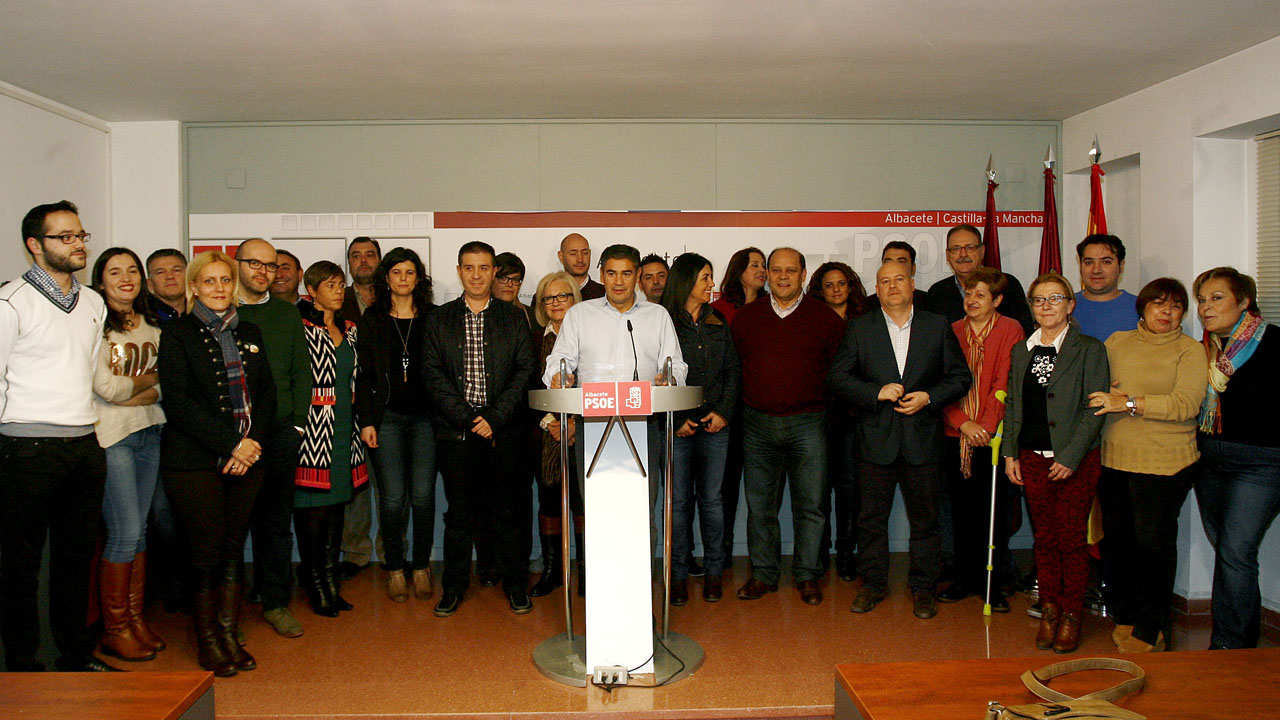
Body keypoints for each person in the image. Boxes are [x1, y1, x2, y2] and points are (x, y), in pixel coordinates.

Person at [0, 201, 117, 673]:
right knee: (20, 568)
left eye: (80, 235)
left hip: (84, 445)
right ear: (35, 245)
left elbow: (88, 370)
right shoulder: (11, 302)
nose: (78, 245)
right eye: (64, 237)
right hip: (25, 449)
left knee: (74, 562)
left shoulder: (93, 301)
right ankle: (22, 668)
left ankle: (74, 658)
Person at [828, 262, 970, 619]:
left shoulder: (936, 325)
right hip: (875, 439)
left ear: (912, 283)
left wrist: (929, 397)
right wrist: (876, 392)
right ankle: (873, 585)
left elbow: (959, 377)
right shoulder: (861, 328)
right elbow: (838, 378)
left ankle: (923, 588)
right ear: (877, 287)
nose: (892, 286)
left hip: (922, 439)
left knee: (926, 520)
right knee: (870, 519)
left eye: (899, 280)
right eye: (884, 281)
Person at [159, 250, 275, 677]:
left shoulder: (252, 330)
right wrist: (232, 446)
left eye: (225, 280)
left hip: (248, 459)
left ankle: (228, 634)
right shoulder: (178, 335)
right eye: (209, 282)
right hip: (195, 461)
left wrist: (252, 444)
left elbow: (266, 396)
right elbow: (180, 403)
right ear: (194, 287)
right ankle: (207, 640)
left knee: (231, 549)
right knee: (205, 552)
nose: (219, 288)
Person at [542, 244, 688, 554]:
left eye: (625, 273)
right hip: (592, 426)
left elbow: (676, 363)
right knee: (597, 510)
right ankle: (602, 591)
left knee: (641, 510)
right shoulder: (580, 315)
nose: (618, 281)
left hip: (643, 425)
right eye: (611, 273)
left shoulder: (657, 316)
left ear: (637, 276)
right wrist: (559, 376)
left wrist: (669, 378)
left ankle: (641, 591)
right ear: (601, 275)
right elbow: (559, 360)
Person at [1088, 278, 1205, 653]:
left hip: (1165, 463)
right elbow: (1099, 391)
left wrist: (1132, 403)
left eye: (1175, 306)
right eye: (1158, 304)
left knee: (1153, 547)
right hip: (1115, 458)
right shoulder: (1117, 342)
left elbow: (1185, 405)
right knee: (1118, 543)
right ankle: (1124, 614)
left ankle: (1152, 625)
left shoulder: (1190, 351)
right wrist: (1114, 398)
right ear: (1143, 308)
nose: (1166, 312)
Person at [424, 241, 536, 617]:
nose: (476, 275)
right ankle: (453, 587)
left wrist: (494, 417)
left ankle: (516, 585)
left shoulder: (513, 317)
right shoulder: (439, 319)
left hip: (503, 433)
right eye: (469, 268)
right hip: (457, 433)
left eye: (484, 268)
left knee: (508, 514)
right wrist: (470, 419)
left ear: (493, 273)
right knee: (459, 516)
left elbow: (524, 371)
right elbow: (433, 375)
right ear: (459, 271)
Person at [1001, 272, 1109, 654]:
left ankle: (1070, 616)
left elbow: (1095, 409)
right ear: (1031, 307)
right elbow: (1014, 403)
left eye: (1055, 299)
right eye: (1039, 300)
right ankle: (1048, 609)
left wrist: (1070, 456)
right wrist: (1010, 452)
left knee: (1070, 540)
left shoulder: (1089, 349)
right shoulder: (1022, 349)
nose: (1047, 306)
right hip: (1030, 458)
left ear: (1070, 304)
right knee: (1044, 540)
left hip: (1074, 461)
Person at [730, 247, 844, 605]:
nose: (782, 277)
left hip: (809, 424)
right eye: (775, 270)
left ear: (803, 273)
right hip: (757, 423)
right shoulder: (747, 318)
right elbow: (735, 371)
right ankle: (764, 575)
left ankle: (808, 576)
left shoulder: (826, 319)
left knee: (811, 505)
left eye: (790, 271)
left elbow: (839, 375)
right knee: (760, 506)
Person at [1192, 267, 1280, 649]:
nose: (1205, 307)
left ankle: (1232, 645)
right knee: (1228, 550)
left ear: (1244, 302)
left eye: (1216, 298)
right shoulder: (1205, 348)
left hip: (1260, 463)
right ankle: (1232, 637)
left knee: (1235, 550)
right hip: (1209, 459)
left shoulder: (1273, 342)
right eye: (1201, 299)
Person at [90, 247, 167, 662]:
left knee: (138, 532)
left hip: (150, 431)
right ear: (100, 281)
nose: (126, 278)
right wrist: (148, 384)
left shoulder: (152, 326)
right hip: (113, 437)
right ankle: (115, 628)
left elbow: (165, 387)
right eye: (114, 271)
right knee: (122, 532)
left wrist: (139, 388)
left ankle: (135, 620)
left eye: (132, 270)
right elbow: (108, 390)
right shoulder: (94, 327)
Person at [235, 238, 311, 639]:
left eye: (271, 266)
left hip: (280, 434)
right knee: (230, 527)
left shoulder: (286, 314)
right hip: (232, 440)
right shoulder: (220, 311)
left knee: (276, 524)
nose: (264, 272)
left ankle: (276, 603)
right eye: (255, 264)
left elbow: (302, 371)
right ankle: (227, 613)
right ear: (237, 265)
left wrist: (297, 424)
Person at [936, 268, 1024, 611]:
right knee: (959, 511)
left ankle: (992, 582)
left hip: (993, 437)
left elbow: (1005, 382)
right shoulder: (951, 330)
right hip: (953, 434)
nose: (972, 300)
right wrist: (962, 423)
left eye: (981, 295)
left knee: (994, 512)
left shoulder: (1010, 329)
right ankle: (965, 577)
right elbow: (941, 383)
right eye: (969, 294)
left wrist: (982, 427)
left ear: (997, 300)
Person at [357, 248, 438, 604]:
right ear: (385, 278)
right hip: (386, 419)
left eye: (410, 272)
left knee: (422, 497)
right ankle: (393, 567)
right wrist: (367, 421)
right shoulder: (372, 319)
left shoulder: (434, 318)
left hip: (426, 420)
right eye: (396, 272)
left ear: (418, 278)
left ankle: (420, 565)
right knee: (391, 499)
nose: (403, 279)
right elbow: (364, 376)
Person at [662, 253, 740, 604]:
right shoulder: (662, 321)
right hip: (676, 425)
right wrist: (677, 419)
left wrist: (722, 412)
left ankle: (713, 574)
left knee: (712, 501)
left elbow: (732, 372)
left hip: (715, 426)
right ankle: (677, 576)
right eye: (706, 277)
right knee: (678, 505)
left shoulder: (718, 320)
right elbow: (656, 374)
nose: (712, 284)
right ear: (687, 280)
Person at [294, 261, 369, 618]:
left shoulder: (351, 329)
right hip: (312, 429)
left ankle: (330, 581)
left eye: (341, 284)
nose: (339, 290)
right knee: (314, 511)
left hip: (345, 428)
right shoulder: (299, 326)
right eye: (330, 285)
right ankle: (315, 583)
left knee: (338, 508)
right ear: (312, 291)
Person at [806, 261, 870, 581]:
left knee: (849, 488)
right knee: (816, 489)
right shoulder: (809, 319)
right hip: (816, 414)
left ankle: (846, 551)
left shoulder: (865, 320)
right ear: (819, 289)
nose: (835, 290)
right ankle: (818, 553)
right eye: (828, 285)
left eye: (841, 284)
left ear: (850, 287)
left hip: (853, 416)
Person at [527, 271, 585, 598]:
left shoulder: (590, 336)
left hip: (583, 432)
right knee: (549, 500)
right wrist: (551, 421)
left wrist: (576, 422)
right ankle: (552, 570)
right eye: (549, 298)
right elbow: (528, 384)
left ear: (575, 299)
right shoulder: (534, 338)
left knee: (582, 502)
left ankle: (587, 571)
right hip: (545, 433)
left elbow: (595, 382)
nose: (556, 303)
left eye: (563, 296)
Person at [709, 246, 767, 562]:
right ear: (738, 269)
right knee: (725, 487)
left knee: (761, 489)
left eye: (764, 265)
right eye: (754, 264)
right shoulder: (718, 310)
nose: (761, 270)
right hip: (729, 410)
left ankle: (762, 554)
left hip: (761, 408)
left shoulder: (774, 307)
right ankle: (723, 551)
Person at [336, 237, 382, 580]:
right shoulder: (337, 302)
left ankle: (392, 549)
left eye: (369, 255)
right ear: (348, 263)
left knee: (394, 489)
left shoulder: (394, 297)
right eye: (356, 256)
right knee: (356, 485)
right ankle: (355, 551)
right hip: (348, 409)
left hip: (389, 407)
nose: (363, 261)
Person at [925, 224, 1034, 335]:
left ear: (982, 251)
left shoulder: (1006, 284)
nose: (963, 254)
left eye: (970, 247)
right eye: (956, 249)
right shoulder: (937, 292)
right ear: (948, 256)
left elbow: (1025, 333)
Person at [1072, 234, 1138, 341]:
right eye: (1089, 262)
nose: (1096, 270)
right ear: (1080, 266)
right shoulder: (1064, 308)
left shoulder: (1141, 309)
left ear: (1121, 266)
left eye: (1106, 262)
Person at [867, 241, 929, 309]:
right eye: (888, 262)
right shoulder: (867, 306)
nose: (894, 266)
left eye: (901, 262)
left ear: (913, 269)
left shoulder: (929, 302)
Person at [494, 251, 535, 330]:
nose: (510, 284)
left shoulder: (533, 316)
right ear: (491, 280)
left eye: (515, 279)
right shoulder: (480, 314)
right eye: (503, 278)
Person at [146, 248, 188, 323]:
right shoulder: (143, 319)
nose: (170, 276)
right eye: (160, 272)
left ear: (189, 277)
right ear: (150, 283)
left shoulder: (203, 315)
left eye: (176, 270)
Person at [559, 232, 605, 300]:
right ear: (561, 256)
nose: (580, 259)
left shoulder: (604, 295)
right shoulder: (550, 294)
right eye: (573, 254)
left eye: (585, 253)